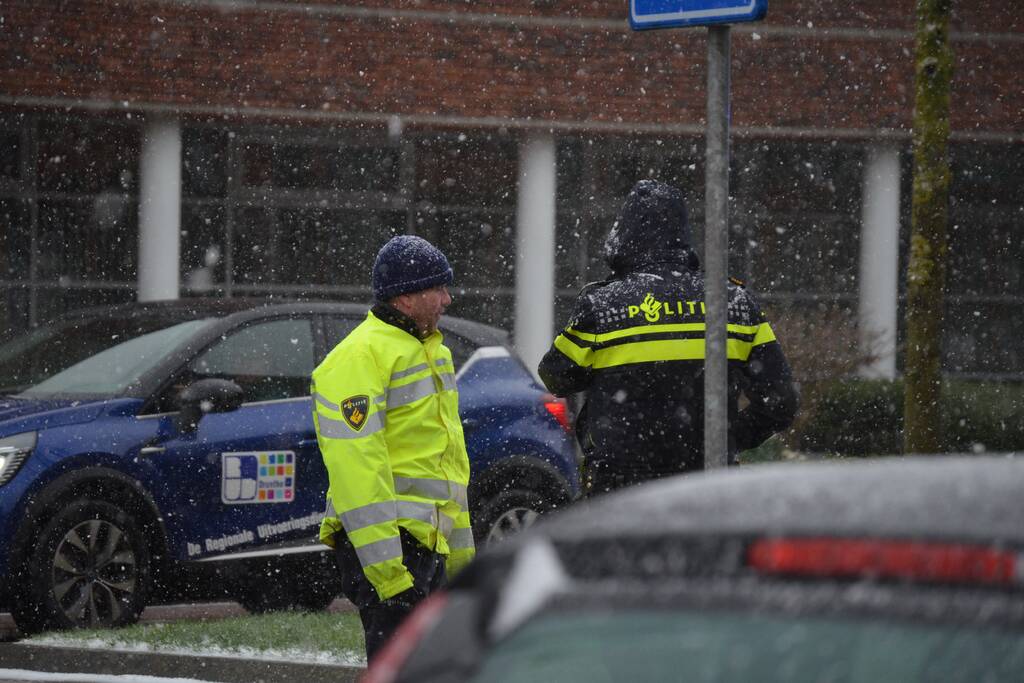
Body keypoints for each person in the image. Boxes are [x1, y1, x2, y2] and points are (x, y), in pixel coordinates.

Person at [538, 179, 799, 496]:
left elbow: (556, 376)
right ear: (683, 234)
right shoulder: (734, 303)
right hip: (708, 488)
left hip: (621, 490)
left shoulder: (604, 305)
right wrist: (725, 441)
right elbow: (781, 401)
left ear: (624, 236)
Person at [311, 234, 475, 660]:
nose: (447, 299)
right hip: (392, 549)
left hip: (422, 547)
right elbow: (358, 470)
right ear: (405, 298)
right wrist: (389, 577)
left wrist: (460, 567)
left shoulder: (430, 351)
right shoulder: (358, 358)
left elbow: (448, 467)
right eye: (437, 288)